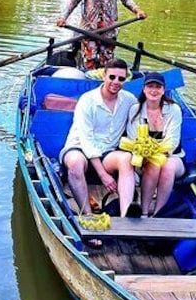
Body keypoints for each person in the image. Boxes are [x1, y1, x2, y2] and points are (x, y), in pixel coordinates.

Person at [60, 58, 140, 217]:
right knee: (75, 162)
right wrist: (103, 175)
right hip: (79, 148)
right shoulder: (87, 100)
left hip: (107, 152)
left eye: (121, 79)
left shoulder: (129, 100)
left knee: (126, 159)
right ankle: (88, 215)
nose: (116, 82)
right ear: (104, 76)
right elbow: (86, 140)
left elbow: (137, 126)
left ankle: (126, 215)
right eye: (112, 77)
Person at [125, 72, 185, 217]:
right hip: (142, 157)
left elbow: (172, 142)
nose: (154, 90)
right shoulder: (136, 110)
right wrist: (144, 155)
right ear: (144, 89)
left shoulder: (173, 110)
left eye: (158, 87)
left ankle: (158, 213)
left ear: (163, 90)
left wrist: (157, 154)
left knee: (167, 166)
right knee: (153, 165)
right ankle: (144, 212)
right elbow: (133, 140)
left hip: (172, 157)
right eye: (150, 86)